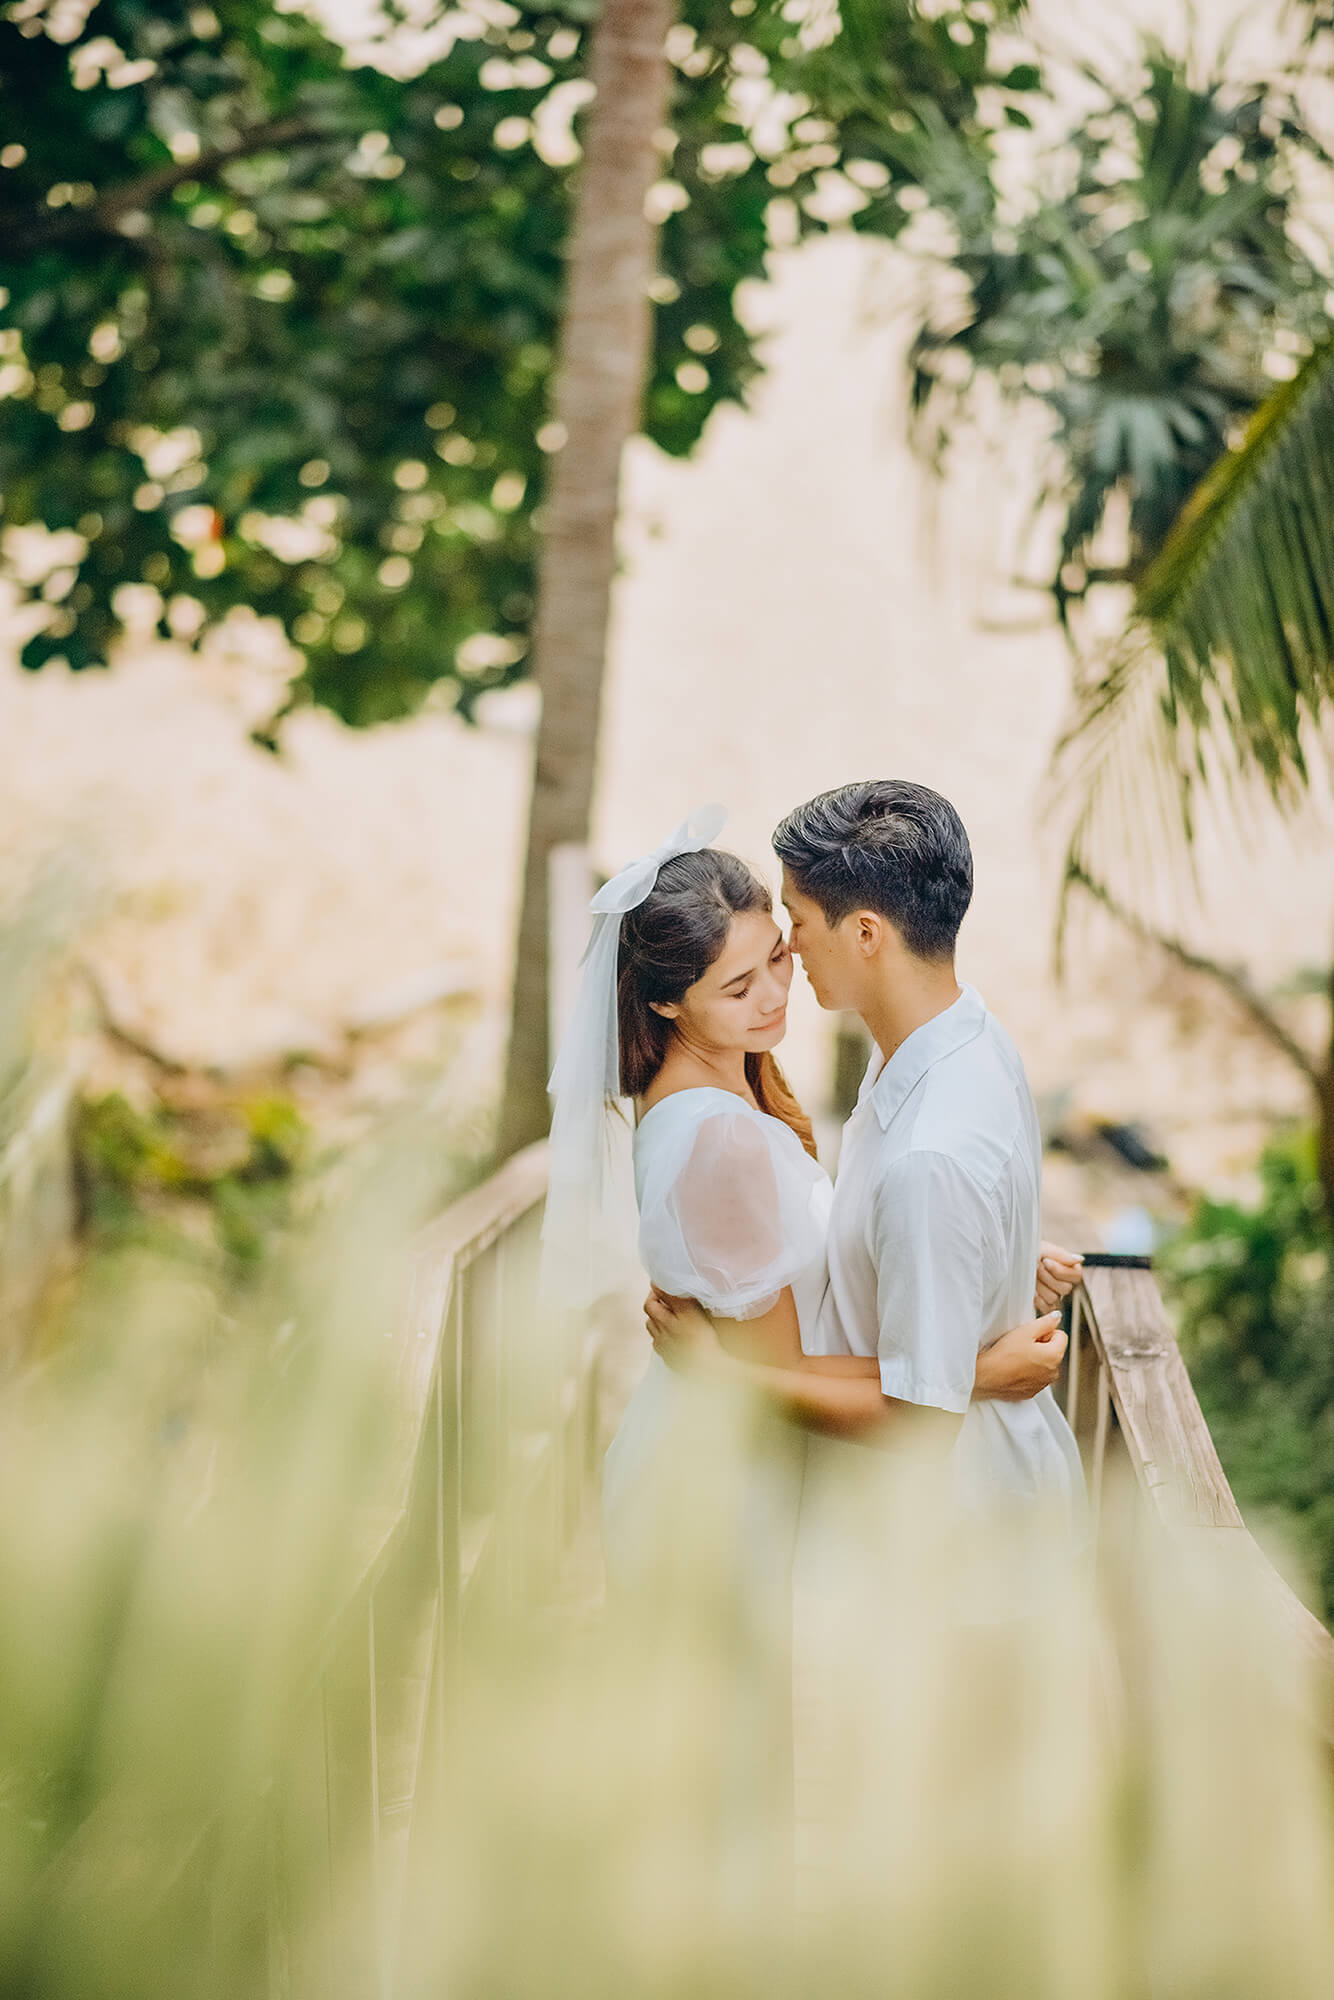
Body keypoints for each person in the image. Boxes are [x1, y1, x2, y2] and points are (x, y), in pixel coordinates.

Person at [536, 807, 1076, 1595]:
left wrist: (978, 1255)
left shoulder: (737, 1077)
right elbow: (779, 1366)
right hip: (715, 1488)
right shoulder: (723, 1141)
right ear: (663, 1003)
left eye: (778, 955)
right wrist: (971, 1370)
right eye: (736, 986)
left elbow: (821, 1256)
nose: (773, 996)